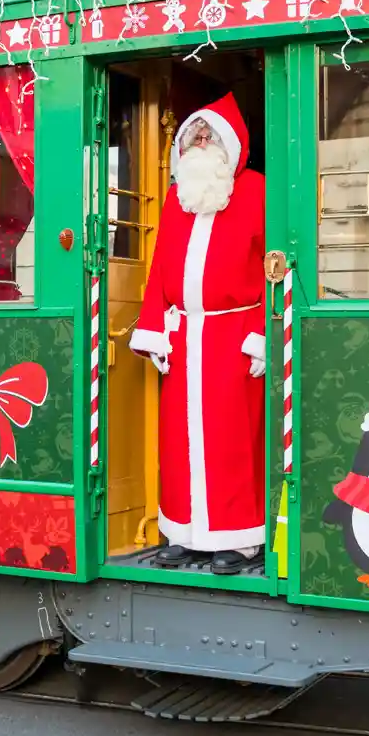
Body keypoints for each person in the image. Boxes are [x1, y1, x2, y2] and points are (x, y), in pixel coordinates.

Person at [127, 94, 268, 574]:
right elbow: (160, 266)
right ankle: (184, 533)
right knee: (180, 442)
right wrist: (154, 330)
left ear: (231, 144)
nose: (201, 144)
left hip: (234, 336)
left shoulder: (257, 191)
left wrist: (261, 335)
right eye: (195, 137)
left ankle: (239, 539)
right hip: (183, 335)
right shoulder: (177, 197)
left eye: (210, 136)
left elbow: (274, 268)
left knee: (232, 443)